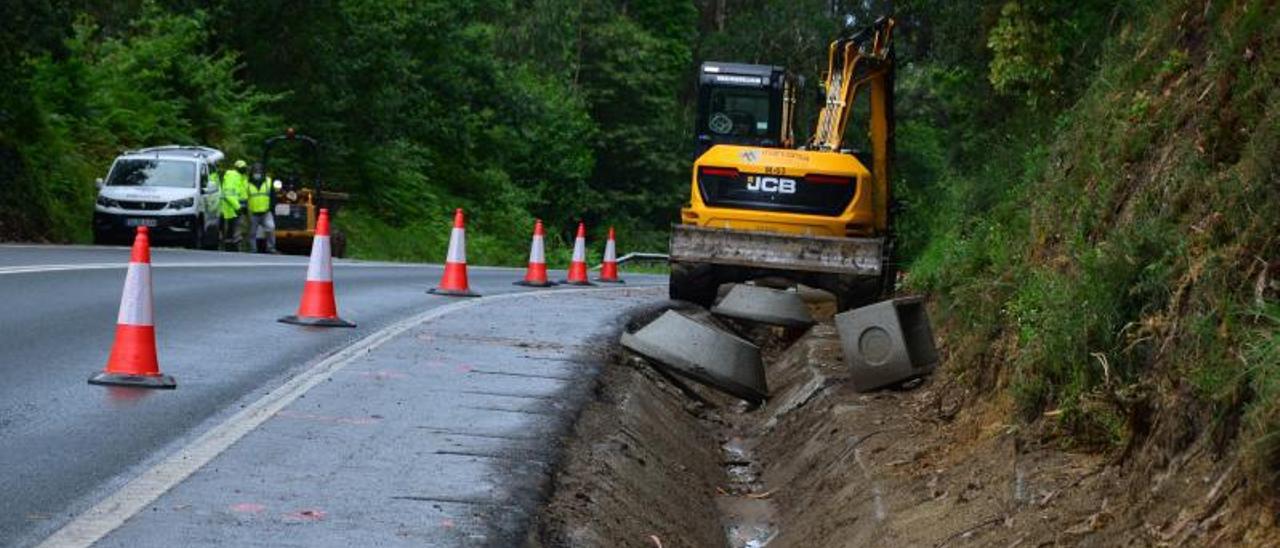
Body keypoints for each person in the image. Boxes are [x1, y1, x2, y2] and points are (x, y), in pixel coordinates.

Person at [246, 162, 277, 253]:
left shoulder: (268, 181)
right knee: (252, 232)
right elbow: (245, 196)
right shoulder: (247, 183)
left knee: (271, 228)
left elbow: (273, 196)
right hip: (253, 212)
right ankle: (253, 249)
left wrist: (271, 208)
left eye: (259, 172)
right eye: (255, 172)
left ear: (262, 172)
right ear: (252, 173)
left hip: (266, 212)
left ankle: (271, 248)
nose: (257, 174)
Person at [220, 160, 249, 251]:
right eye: (242, 168)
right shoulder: (232, 176)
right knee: (230, 229)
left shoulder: (242, 177)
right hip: (231, 208)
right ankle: (228, 247)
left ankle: (234, 246)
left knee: (236, 229)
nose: (244, 169)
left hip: (239, 206)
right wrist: (238, 207)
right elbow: (228, 194)